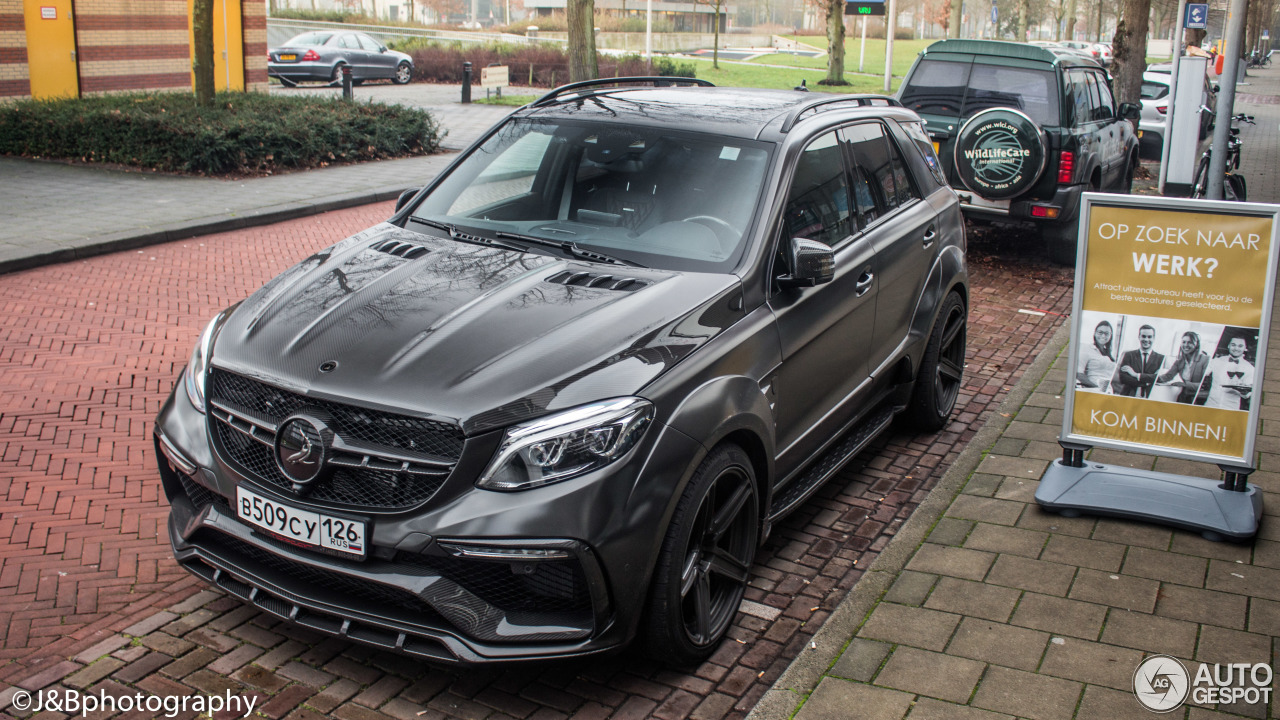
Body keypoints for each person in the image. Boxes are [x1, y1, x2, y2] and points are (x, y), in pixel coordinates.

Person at [1156, 331, 1210, 404]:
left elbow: (1204, 385)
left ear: (1196, 344)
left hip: (1198, 398)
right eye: (1184, 342)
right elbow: (1168, 376)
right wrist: (1155, 378)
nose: (1185, 345)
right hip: (1184, 396)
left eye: (1189, 342)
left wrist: (1185, 384)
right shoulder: (1180, 360)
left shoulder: (1205, 360)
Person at [1203, 336, 1255, 410]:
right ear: (1228, 346)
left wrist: (1243, 391)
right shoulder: (1216, 361)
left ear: (1245, 348)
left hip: (1231, 409)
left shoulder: (1250, 368)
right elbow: (1203, 373)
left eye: (1240, 346)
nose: (1236, 348)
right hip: (1210, 405)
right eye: (1233, 345)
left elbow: (1246, 395)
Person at [1112, 325, 1165, 397]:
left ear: (1154, 338)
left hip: (1150, 396)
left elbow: (1159, 378)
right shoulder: (1128, 355)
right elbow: (1123, 378)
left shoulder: (1161, 358)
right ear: (1139, 337)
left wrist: (1135, 375)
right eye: (1143, 336)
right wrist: (1147, 382)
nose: (1146, 339)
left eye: (1149, 337)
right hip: (1129, 395)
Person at [1076, 320, 1115, 391]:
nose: (1103, 336)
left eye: (1107, 333)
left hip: (1108, 391)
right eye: (1100, 332)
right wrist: (1097, 388)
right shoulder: (1087, 348)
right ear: (1095, 333)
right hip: (1092, 389)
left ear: (1110, 335)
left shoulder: (1109, 355)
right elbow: (1078, 373)